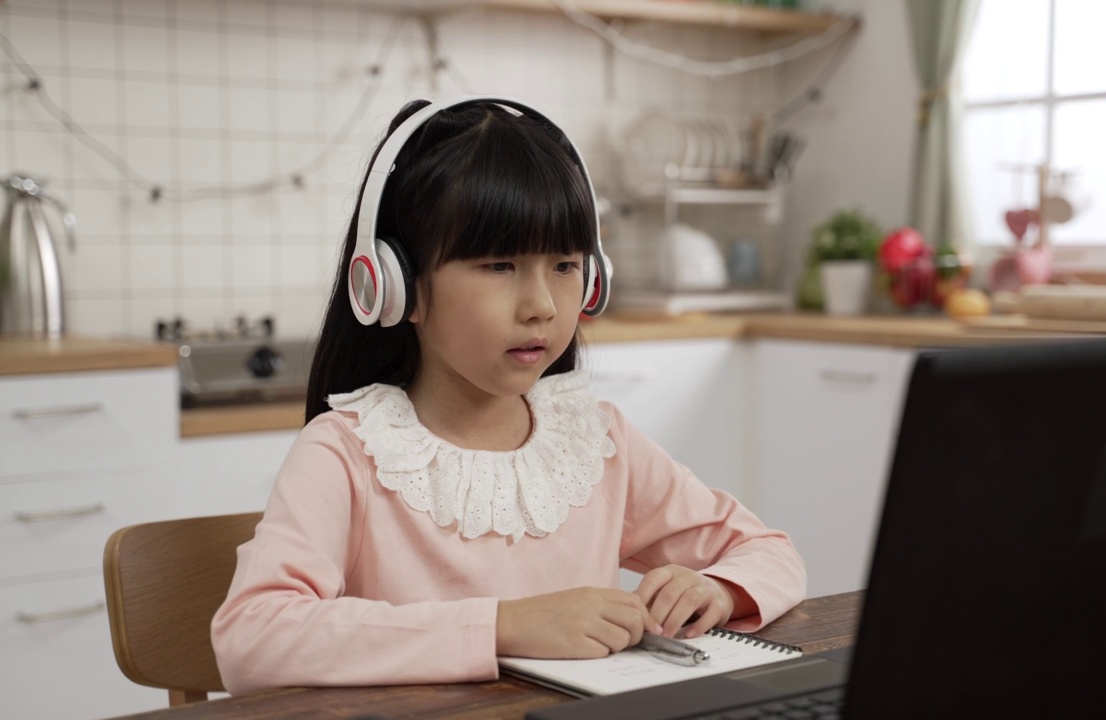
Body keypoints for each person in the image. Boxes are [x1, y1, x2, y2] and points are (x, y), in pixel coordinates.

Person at [210, 97, 806, 695]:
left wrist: (717, 589)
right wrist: (501, 626)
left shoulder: (595, 443)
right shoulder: (347, 452)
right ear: (395, 286)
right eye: (500, 265)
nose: (542, 305)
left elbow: (768, 552)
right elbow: (252, 637)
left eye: (565, 265)